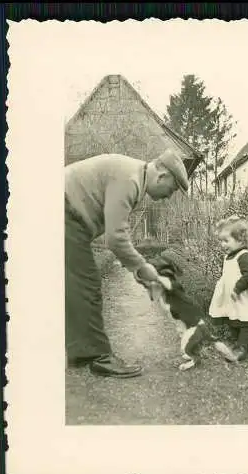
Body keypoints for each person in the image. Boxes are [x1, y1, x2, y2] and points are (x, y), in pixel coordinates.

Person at [65, 148, 188, 378]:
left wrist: (139, 273)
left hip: (68, 215)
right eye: (171, 189)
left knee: (71, 286)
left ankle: (78, 352)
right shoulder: (129, 180)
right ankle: (99, 357)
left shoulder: (133, 175)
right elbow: (115, 238)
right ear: (162, 175)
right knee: (87, 284)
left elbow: (116, 235)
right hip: (65, 213)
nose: (168, 196)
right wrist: (142, 267)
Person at [209, 215, 248, 362]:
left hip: (244, 297)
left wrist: (237, 289)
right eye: (221, 241)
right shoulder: (229, 256)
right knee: (235, 319)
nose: (223, 245)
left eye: (226, 241)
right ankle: (236, 344)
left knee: (246, 322)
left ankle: (243, 348)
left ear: (240, 239)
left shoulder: (244, 256)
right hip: (234, 298)